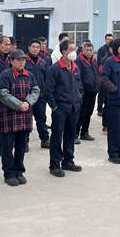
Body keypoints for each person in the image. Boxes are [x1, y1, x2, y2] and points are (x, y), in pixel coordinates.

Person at [0, 49, 40, 186]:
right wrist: (18, 105)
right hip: (9, 115)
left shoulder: (29, 75)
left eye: (23, 60)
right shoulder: (5, 75)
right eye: (18, 60)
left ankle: (19, 171)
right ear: (11, 61)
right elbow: (2, 93)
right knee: (8, 146)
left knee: (21, 145)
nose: (21, 63)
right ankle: (9, 173)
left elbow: (36, 90)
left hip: (25, 114)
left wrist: (27, 102)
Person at [44, 40, 83, 177]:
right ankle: (55, 164)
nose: (74, 52)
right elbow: (48, 91)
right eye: (71, 49)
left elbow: (80, 87)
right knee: (57, 136)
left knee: (70, 135)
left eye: (74, 49)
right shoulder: (54, 69)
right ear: (64, 52)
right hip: (60, 109)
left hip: (74, 108)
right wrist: (55, 107)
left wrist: (79, 99)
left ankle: (68, 160)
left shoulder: (75, 67)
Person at [24, 39, 50, 149]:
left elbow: (46, 78)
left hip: (40, 96)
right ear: (29, 47)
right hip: (27, 96)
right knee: (26, 119)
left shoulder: (42, 62)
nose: (35, 49)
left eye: (37, 47)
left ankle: (45, 140)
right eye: (33, 47)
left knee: (41, 118)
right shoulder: (23, 61)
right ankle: (24, 142)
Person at [75, 42, 99, 143]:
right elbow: (78, 77)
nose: (89, 52)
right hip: (84, 93)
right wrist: (81, 91)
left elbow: (97, 74)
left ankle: (84, 132)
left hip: (93, 92)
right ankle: (75, 134)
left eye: (91, 50)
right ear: (83, 50)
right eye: (87, 50)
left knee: (88, 113)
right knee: (81, 113)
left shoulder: (93, 60)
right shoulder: (79, 60)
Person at [96, 33, 114, 115]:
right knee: (101, 93)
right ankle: (99, 109)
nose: (109, 41)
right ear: (105, 40)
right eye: (108, 39)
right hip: (103, 74)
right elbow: (100, 62)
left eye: (111, 39)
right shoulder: (102, 49)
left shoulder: (114, 49)